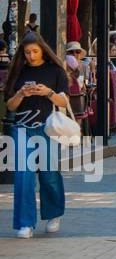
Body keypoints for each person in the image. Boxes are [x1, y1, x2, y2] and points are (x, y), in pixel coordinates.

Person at [4, 33, 72, 237]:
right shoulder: (18, 72)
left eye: (35, 51)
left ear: (43, 49)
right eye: (27, 52)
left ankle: (54, 213)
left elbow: (63, 102)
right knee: (23, 175)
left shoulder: (56, 71)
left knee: (49, 174)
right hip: (22, 129)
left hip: (47, 128)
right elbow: (10, 106)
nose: (31, 56)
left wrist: (48, 93)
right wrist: (21, 94)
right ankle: (25, 223)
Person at [64, 42, 86, 119]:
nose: (74, 54)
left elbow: (84, 85)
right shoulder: (64, 65)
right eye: (71, 52)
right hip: (71, 102)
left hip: (78, 100)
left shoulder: (84, 65)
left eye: (77, 51)